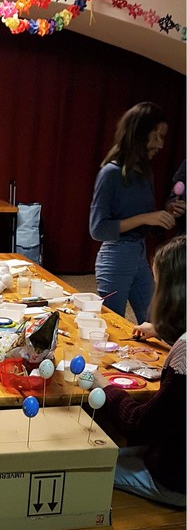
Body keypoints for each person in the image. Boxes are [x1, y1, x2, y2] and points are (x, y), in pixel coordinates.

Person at [89, 234, 186, 508]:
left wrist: (105, 386)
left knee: (84, 465)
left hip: (176, 481)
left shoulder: (185, 355)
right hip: (175, 455)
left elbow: (138, 424)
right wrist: (162, 331)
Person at [89, 102, 177, 324]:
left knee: (157, 322)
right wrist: (147, 217)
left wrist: (164, 214)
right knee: (112, 326)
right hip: (115, 258)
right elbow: (98, 229)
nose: (161, 144)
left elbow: (144, 224)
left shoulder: (145, 174)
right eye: (157, 136)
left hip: (139, 255)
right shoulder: (110, 173)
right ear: (140, 134)